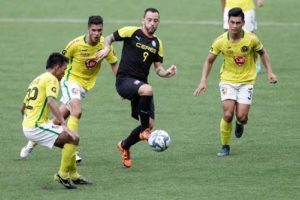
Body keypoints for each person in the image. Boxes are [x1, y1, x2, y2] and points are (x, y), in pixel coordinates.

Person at [20, 15, 118, 163]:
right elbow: (60, 60)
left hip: (84, 86)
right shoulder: (75, 44)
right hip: (70, 81)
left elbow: (114, 64)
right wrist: (49, 78)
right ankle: (71, 146)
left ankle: (33, 141)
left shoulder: (105, 46)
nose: (97, 33)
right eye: (94, 30)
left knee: (61, 117)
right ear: (88, 29)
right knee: (77, 111)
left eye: (100, 30)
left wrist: (120, 86)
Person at [97, 8, 177, 168]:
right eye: (149, 19)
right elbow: (108, 38)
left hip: (140, 85)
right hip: (124, 81)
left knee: (149, 124)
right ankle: (145, 133)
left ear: (158, 22)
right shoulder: (131, 32)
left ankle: (124, 145)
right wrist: (106, 48)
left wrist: (166, 73)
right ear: (143, 20)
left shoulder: (157, 43)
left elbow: (158, 68)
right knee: (147, 90)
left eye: (155, 20)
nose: (152, 23)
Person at [193, 8, 277, 157]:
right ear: (228, 22)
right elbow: (209, 61)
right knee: (227, 114)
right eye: (232, 22)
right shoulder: (221, 41)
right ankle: (225, 146)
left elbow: (263, 53)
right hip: (227, 80)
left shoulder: (251, 39)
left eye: (238, 23)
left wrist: (269, 72)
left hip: (247, 81)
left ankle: (240, 124)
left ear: (243, 23)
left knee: (242, 117)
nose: (235, 26)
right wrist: (203, 81)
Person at [20, 52, 91, 189]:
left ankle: (73, 175)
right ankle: (63, 175)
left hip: (30, 125)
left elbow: (22, 107)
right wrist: (63, 124)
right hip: (36, 127)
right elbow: (51, 102)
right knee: (73, 137)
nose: (64, 73)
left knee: (69, 143)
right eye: (64, 69)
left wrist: (26, 118)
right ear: (57, 67)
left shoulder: (37, 79)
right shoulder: (51, 79)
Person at [221, 0, 264, 73]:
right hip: (229, 8)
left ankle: (255, 61)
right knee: (228, 36)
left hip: (246, 9)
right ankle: (232, 61)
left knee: (251, 36)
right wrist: (224, 9)